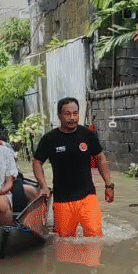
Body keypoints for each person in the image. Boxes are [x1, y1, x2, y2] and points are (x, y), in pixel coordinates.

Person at [31, 97, 114, 237]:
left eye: (75, 113)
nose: (72, 118)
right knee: (64, 242)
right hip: (62, 200)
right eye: (67, 114)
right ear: (59, 116)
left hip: (88, 196)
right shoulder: (50, 139)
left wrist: (109, 185)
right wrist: (43, 186)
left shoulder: (87, 135)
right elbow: (37, 162)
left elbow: (100, 158)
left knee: (95, 238)